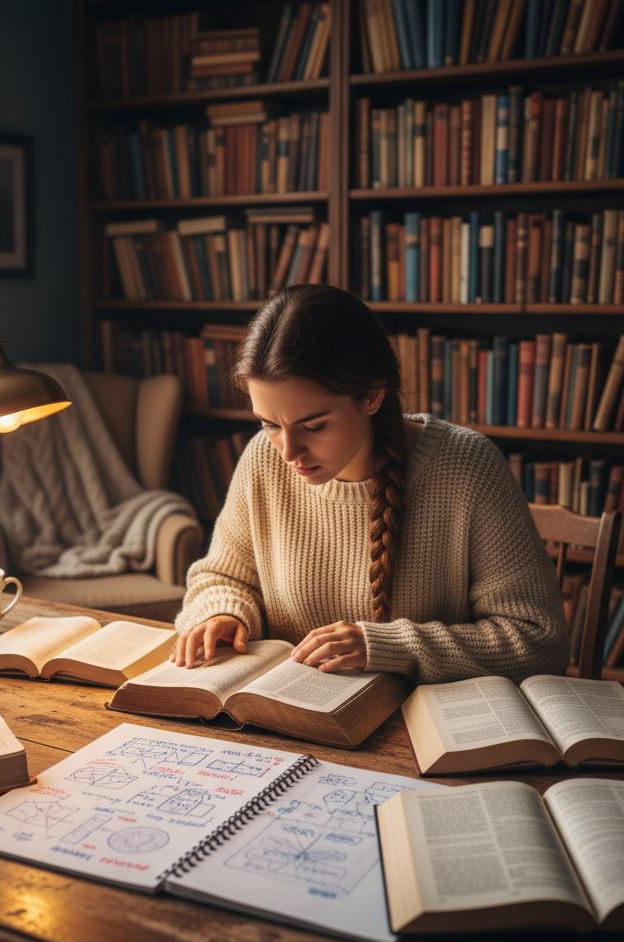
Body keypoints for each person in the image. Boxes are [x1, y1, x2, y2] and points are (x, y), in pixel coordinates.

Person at [171, 284, 568, 685]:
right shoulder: (263, 459)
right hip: (290, 720)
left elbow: (539, 641)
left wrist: (386, 647)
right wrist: (222, 612)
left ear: (373, 398)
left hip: (423, 731)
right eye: (270, 424)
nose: (289, 452)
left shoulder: (467, 467)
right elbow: (221, 577)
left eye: (314, 426)